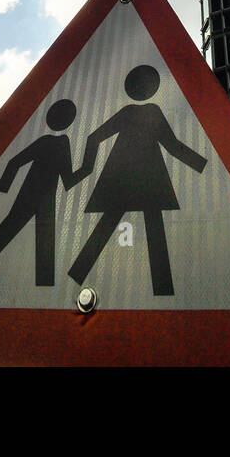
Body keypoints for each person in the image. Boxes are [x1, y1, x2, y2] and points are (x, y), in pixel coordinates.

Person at [68, 65, 206, 296]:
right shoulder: (149, 112)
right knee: (150, 226)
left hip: (123, 178)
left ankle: (78, 274)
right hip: (146, 180)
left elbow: (95, 138)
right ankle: (162, 289)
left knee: (119, 223)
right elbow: (171, 146)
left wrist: (85, 169)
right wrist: (201, 165)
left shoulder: (132, 112)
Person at [0, 99, 78, 287]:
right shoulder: (55, 143)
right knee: (15, 228)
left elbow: (65, 179)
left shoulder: (57, 142)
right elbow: (16, 162)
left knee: (44, 236)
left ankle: (44, 285)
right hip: (32, 194)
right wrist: (1, 191)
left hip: (44, 197)